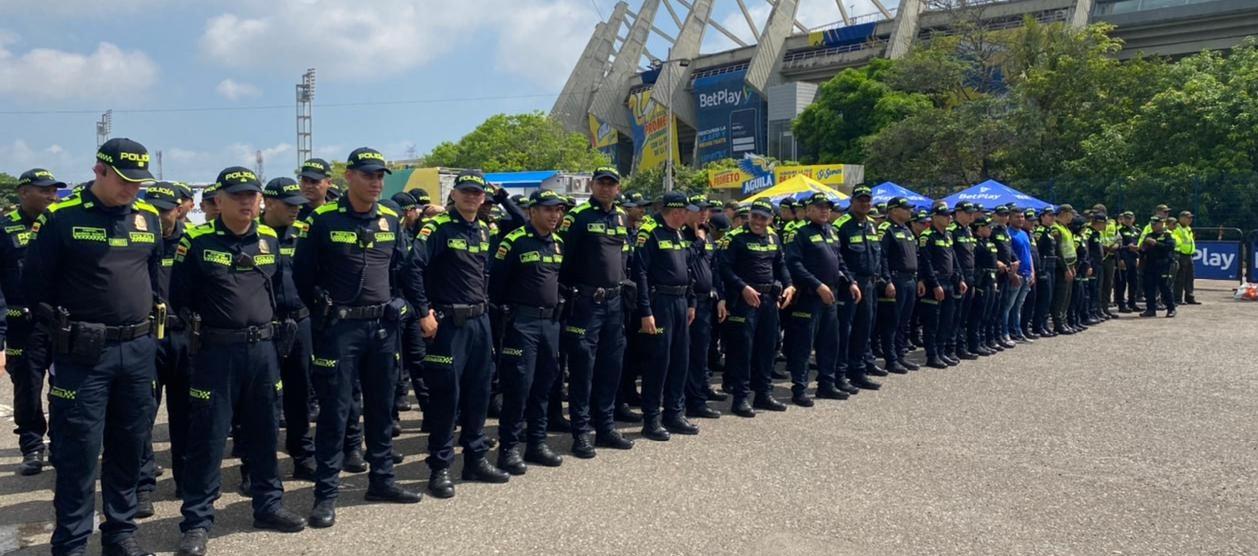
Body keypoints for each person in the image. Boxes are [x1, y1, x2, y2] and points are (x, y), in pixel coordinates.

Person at [25, 138, 163, 556]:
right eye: (123, 180)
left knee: (129, 445)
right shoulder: (61, 218)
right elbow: (34, 289)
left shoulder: (148, 217)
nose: (131, 189)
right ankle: (71, 541)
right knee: (78, 452)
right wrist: (65, 329)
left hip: (137, 350)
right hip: (84, 355)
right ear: (99, 171)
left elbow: (154, 278)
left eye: (138, 182)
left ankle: (120, 534)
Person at [170, 167, 307, 556]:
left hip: (262, 351)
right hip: (216, 353)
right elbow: (181, 296)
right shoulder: (195, 242)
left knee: (264, 433)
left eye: (253, 195)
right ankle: (196, 522)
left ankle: (268, 505)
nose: (248, 202)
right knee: (208, 438)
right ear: (219, 201)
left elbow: (282, 294)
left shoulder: (268, 240)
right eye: (238, 196)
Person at [293, 147, 424, 530]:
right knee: (335, 412)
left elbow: (403, 267)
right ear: (348, 176)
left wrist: (403, 303)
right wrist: (322, 313)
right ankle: (326, 494)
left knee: (383, 408)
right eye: (368, 175)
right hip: (341, 330)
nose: (376, 182)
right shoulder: (321, 219)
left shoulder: (390, 217)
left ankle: (382, 480)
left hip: (383, 330)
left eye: (380, 176)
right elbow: (302, 276)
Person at [415, 172, 513, 496]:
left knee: (479, 393)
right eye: (466, 192)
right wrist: (423, 311)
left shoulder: (484, 230)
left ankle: (475, 460)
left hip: (480, 322)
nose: (472, 197)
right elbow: (411, 268)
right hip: (448, 324)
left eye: (477, 193)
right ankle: (440, 467)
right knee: (446, 396)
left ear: (484, 198)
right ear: (454, 194)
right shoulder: (438, 228)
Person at [489, 189, 569, 474]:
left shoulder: (558, 243)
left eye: (558, 210)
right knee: (518, 386)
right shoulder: (513, 242)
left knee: (545, 384)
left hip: (550, 324)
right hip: (520, 324)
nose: (554, 216)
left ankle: (537, 443)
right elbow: (495, 287)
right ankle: (508, 448)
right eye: (548, 210)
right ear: (532, 211)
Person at [558, 167, 635, 459]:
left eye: (611, 184)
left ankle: (605, 427)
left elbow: (625, 257)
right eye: (601, 183)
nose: (605, 188)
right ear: (591, 186)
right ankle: (581, 433)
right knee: (582, 369)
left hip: (615, 304)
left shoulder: (621, 217)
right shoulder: (577, 218)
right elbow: (563, 262)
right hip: (587, 304)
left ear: (618, 188)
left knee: (611, 367)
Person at [1, 168, 62, 477]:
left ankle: (62, 444)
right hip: (23, 326)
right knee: (28, 386)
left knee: (65, 386)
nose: (52, 196)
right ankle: (32, 446)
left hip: (60, 322)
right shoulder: (4, 228)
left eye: (54, 190)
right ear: (24, 192)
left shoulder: (59, 224)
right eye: (45, 190)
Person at [135, 181, 190, 516]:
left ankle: (186, 479)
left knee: (186, 414)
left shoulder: (193, 241)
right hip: (147, 338)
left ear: (178, 209)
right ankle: (142, 486)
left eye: (165, 209)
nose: (159, 216)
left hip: (185, 336)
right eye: (153, 209)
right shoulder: (138, 242)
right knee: (141, 413)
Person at [260, 177, 317, 482]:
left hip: (301, 321)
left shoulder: (304, 234)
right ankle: (255, 464)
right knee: (262, 398)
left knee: (300, 393)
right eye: (289, 205)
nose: (296, 210)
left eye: (299, 205)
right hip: (264, 327)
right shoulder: (252, 234)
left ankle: (302, 455)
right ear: (269, 203)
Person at [631, 192, 700, 439]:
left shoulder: (678, 232)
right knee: (658, 362)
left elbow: (687, 269)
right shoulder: (650, 233)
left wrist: (691, 301)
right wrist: (645, 311)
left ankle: (674, 413)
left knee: (680, 360)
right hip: (659, 303)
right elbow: (640, 274)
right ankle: (651, 419)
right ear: (676, 211)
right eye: (686, 211)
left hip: (681, 303)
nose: (689, 215)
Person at [718, 198, 795, 416]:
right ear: (749, 215)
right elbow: (723, 268)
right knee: (743, 350)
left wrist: (789, 285)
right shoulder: (734, 238)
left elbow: (780, 264)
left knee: (767, 347)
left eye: (764, 217)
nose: (758, 221)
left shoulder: (773, 236)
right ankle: (741, 398)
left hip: (769, 300)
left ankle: (763, 394)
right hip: (744, 301)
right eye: (755, 216)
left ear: (771, 219)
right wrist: (742, 287)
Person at [784, 193, 859, 406]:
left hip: (831, 296)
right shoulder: (799, 233)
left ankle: (826, 384)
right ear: (808, 210)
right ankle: (799, 389)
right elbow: (794, 264)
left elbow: (840, 260)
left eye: (827, 207)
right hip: (809, 297)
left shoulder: (832, 232)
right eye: (819, 207)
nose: (825, 210)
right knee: (804, 345)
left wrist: (851, 281)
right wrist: (817, 285)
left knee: (829, 343)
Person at [682, 194, 724, 419]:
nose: (703, 214)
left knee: (702, 352)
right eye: (698, 210)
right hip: (690, 302)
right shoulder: (683, 234)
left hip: (708, 301)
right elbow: (685, 263)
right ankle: (689, 401)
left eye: (705, 210)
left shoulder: (706, 235)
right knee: (688, 354)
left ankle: (700, 394)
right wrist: (698, 239)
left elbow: (714, 267)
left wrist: (721, 297)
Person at [918, 206, 963, 369]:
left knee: (947, 319)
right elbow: (926, 263)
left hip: (949, 281)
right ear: (935, 217)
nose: (949, 218)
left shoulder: (948, 234)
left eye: (949, 215)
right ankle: (932, 355)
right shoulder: (926, 236)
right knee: (932, 322)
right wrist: (935, 284)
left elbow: (954, 258)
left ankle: (942, 352)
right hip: (934, 283)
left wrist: (960, 279)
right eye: (945, 215)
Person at [946, 202, 978, 360]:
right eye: (968, 212)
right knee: (955, 315)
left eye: (972, 213)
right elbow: (952, 257)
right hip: (958, 277)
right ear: (958, 213)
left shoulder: (968, 230)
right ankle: (952, 348)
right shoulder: (951, 231)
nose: (972, 215)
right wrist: (959, 278)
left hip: (970, 276)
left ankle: (961, 345)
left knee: (964, 315)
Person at [1006, 209, 1035, 343]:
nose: (1020, 219)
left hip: (1027, 274)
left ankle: (1017, 331)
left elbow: (1028, 254)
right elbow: (1009, 256)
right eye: (1017, 217)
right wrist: (1013, 274)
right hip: (1016, 275)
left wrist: (1032, 271)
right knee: (1008, 306)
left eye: (1022, 217)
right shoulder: (1008, 233)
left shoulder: (1024, 233)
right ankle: (1006, 332)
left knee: (1018, 306)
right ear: (1010, 219)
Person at [1140, 216, 1177, 318]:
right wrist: (1141, 250)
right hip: (1150, 264)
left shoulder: (1167, 235)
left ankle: (1171, 308)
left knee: (1165, 287)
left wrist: (1156, 243)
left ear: (1161, 224)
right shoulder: (1149, 235)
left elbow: (1170, 247)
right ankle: (1150, 309)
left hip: (1163, 264)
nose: (1153, 226)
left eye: (1155, 224)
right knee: (1149, 288)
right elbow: (1143, 249)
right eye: (1152, 224)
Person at [1031, 209, 1060, 337]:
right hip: (1045, 266)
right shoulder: (1040, 231)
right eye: (1050, 215)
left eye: (1054, 216)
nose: (1052, 218)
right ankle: (1039, 325)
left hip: (1052, 266)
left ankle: (1044, 324)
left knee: (1049, 297)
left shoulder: (1050, 231)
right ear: (1042, 217)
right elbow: (1038, 251)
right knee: (1044, 297)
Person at [1115, 211, 1141, 312]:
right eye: (1126, 218)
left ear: (1133, 219)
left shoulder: (1137, 230)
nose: (1128, 220)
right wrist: (1121, 259)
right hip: (1124, 258)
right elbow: (1118, 246)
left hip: (1134, 258)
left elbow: (1140, 244)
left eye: (1130, 218)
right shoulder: (1119, 230)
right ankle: (1121, 304)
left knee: (1134, 282)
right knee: (1122, 283)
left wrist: (1139, 257)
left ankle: (1132, 303)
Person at [1173, 211, 1198, 304]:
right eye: (1188, 217)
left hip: (1189, 255)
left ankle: (1190, 297)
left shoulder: (1188, 228)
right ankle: (1178, 298)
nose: (1190, 220)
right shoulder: (1177, 227)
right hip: (1181, 254)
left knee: (1190, 277)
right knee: (1180, 278)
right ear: (1181, 218)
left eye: (1191, 218)